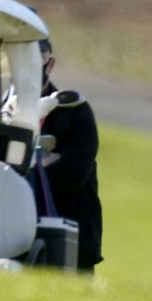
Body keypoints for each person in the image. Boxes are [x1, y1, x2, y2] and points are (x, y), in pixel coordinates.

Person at [36, 39, 104, 273]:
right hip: (12, 234)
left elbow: (73, 175)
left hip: (72, 238)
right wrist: (45, 162)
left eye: (37, 55)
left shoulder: (74, 109)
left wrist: (28, 168)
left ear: (50, 63)